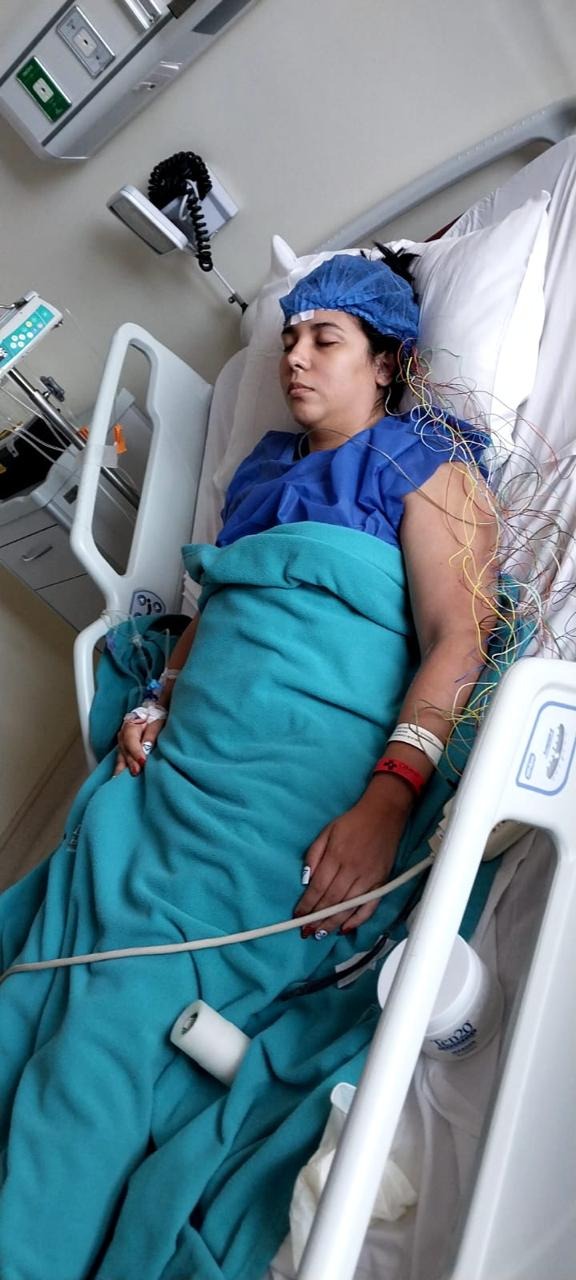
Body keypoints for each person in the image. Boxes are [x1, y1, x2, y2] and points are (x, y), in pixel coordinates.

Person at [0, 252, 501, 1280]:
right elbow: (219, 603)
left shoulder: (421, 461)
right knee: (52, 966)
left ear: (387, 361)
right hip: (187, 765)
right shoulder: (262, 471)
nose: (295, 358)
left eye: (325, 339)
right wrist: (155, 699)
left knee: (112, 1015)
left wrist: (388, 798)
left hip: (296, 778)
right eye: (288, 339)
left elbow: (460, 638)